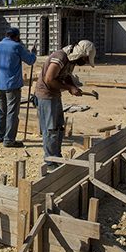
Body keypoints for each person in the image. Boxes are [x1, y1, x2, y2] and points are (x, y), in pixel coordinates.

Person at [35, 40, 96, 171]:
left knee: (58, 127)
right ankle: (50, 160)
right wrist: (69, 88)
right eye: (85, 59)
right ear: (82, 54)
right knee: (50, 129)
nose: (85, 62)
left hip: (55, 94)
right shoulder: (60, 57)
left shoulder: (70, 60)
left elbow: (66, 76)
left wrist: (73, 86)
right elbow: (49, 79)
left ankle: (57, 156)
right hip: (45, 94)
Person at [0, 27, 37, 148]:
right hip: (12, 85)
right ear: (16, 36)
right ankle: (9, 139)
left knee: (1, 111)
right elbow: (30, 61)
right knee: (12, 112)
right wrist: (33, 53)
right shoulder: (17, 47)